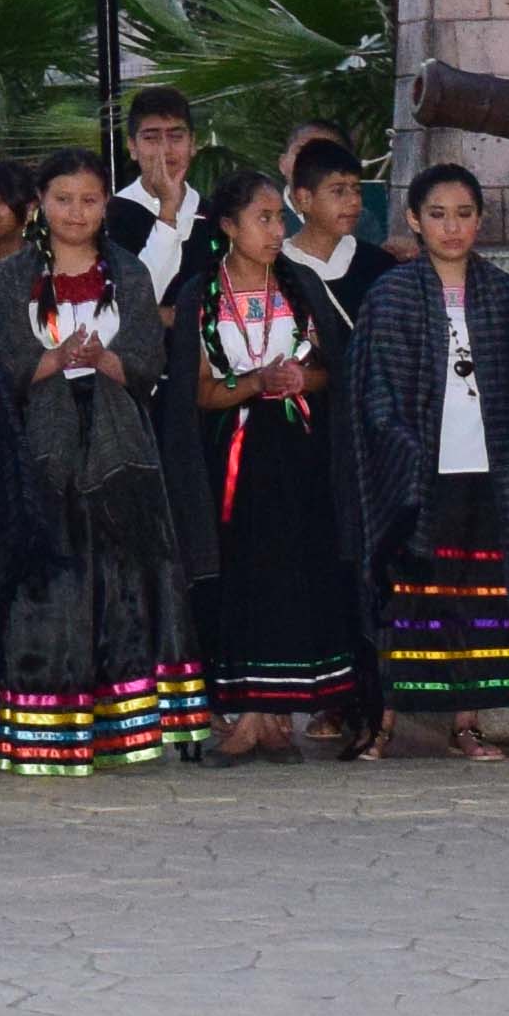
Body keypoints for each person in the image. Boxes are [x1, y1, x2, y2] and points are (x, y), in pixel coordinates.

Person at [0, 146, 198, 774]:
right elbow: (2, 361)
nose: (77, 212)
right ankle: (42, 722)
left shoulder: (128, 273)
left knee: (127, 580)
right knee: (47, 581)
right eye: (63, 200)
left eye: (90, 200)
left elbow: (148, 358)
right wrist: (50, 361)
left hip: (120, 446)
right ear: (39, 206)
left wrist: (106, 360)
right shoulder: (8, 277)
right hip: (40, 449)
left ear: (107, 205)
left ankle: (127, 724)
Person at [338, 162, 509, 760]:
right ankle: (382, 722)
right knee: (407, 598)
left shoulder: (504, 294)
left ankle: (467, 723)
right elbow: (374, 390)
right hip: (415, 478)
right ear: (413, 219)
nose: (452, 228)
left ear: (480, 220)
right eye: (437, 215)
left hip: (493, 475)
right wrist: (404, 452)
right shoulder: (392, 294)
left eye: (463, 215)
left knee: (479, 596)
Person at [178, 165, 365, 760]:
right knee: (241, 580)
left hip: (299, 456)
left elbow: (334, 369)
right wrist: (255, 381)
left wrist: (298, 379)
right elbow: (199, 392)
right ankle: (250, 710)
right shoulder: (201, 294)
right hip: (232, 461)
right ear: (229, 226)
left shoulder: (301, 286)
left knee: (297, 575)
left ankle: (280, 710)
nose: (276, 229)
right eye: (263, 218)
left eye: (278, 217)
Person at [101, 92, 211, 305]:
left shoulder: (213, 213)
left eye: (176, 137)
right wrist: (168, 209)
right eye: (151, 138)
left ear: (193, 143)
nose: (165, 150)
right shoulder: (111, 215)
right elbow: (133, 302)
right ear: (133, 147)